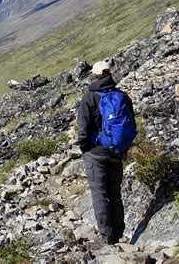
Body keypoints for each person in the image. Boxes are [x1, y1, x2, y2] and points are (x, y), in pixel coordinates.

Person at [77, 60, 135, 247]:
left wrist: (84, 147)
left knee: (100, 194)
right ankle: (118, 234)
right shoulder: (122, 96)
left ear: (93, 76)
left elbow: (83, 128)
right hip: (116, 151)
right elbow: (129, 126)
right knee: (115, 193)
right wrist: (123, 149)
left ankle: (107, 237)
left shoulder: (90, 96)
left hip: (95, 152)